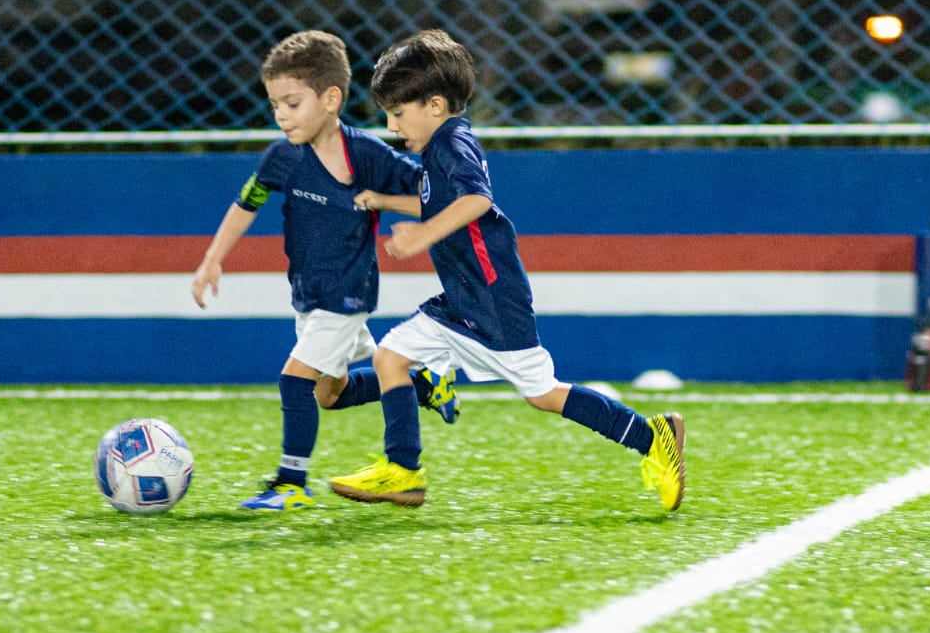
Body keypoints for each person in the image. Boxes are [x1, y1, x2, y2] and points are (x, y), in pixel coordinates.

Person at [332, 29, 685, 511]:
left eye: (397, 113)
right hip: (464, 297)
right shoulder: (440, 148)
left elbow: (477, 200)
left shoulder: (452, 144)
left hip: (491, 298)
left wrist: (423, 235)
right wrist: (389, 201)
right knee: (390, 356)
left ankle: (652, 436)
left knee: (543, 394)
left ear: (434, 105)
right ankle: (402, 471)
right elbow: (439, 200)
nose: (392, 126)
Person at [191, 30, 459, 512]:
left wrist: (390, 204)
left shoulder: (369, 156)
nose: (280, 115)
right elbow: (246, 204)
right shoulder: (281, 157)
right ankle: (424, 384)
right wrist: (213, 258)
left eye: (292, 103)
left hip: (348, 292)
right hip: (308, 294)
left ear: (331, 98)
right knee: (328, 395)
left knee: (293, 380)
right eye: (275, 104)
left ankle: (291, 483)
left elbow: (432, 195)